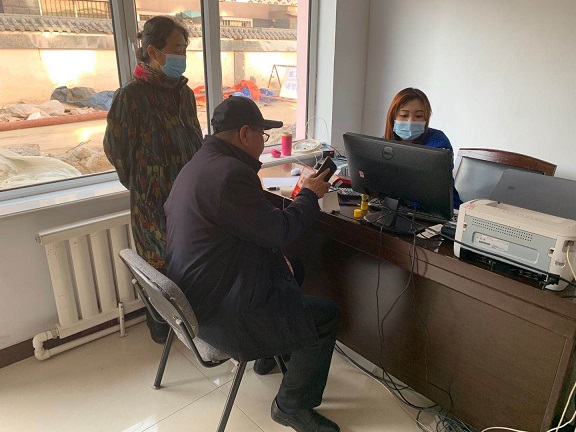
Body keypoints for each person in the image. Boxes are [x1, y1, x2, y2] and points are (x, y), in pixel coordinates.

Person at [165, 96, 341, 432]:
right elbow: (281, 231)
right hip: (220, 314)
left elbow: (249, 226)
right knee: (326, 315)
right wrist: (308, 195)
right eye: (263, 135)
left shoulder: (201, 163)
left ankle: (267, 354)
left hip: (198, 295)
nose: (264, 142)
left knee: (294, 267)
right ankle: (291, 405)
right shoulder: (231, 174)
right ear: (245, 133)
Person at [104, 16, 203, 343]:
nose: (182, 56)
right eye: (176, 49)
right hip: (152, 205)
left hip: (188, 200)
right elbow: (116, 151)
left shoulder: (184, 93)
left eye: (184, 49)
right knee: (158, 269)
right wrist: (146, 183)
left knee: (189, 262)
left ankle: (193, 330)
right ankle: (162, 334)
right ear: (152, 51)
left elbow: (195, 140)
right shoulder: (130, 97)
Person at [384, 87, 462, 208]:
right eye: (404, 115)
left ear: (426, 119)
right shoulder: (385, 142)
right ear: (393, 117)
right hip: (398, 209)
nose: (411, 121)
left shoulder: (438, 140)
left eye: (419, 116)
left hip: (439, 212)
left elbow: (431, 179)